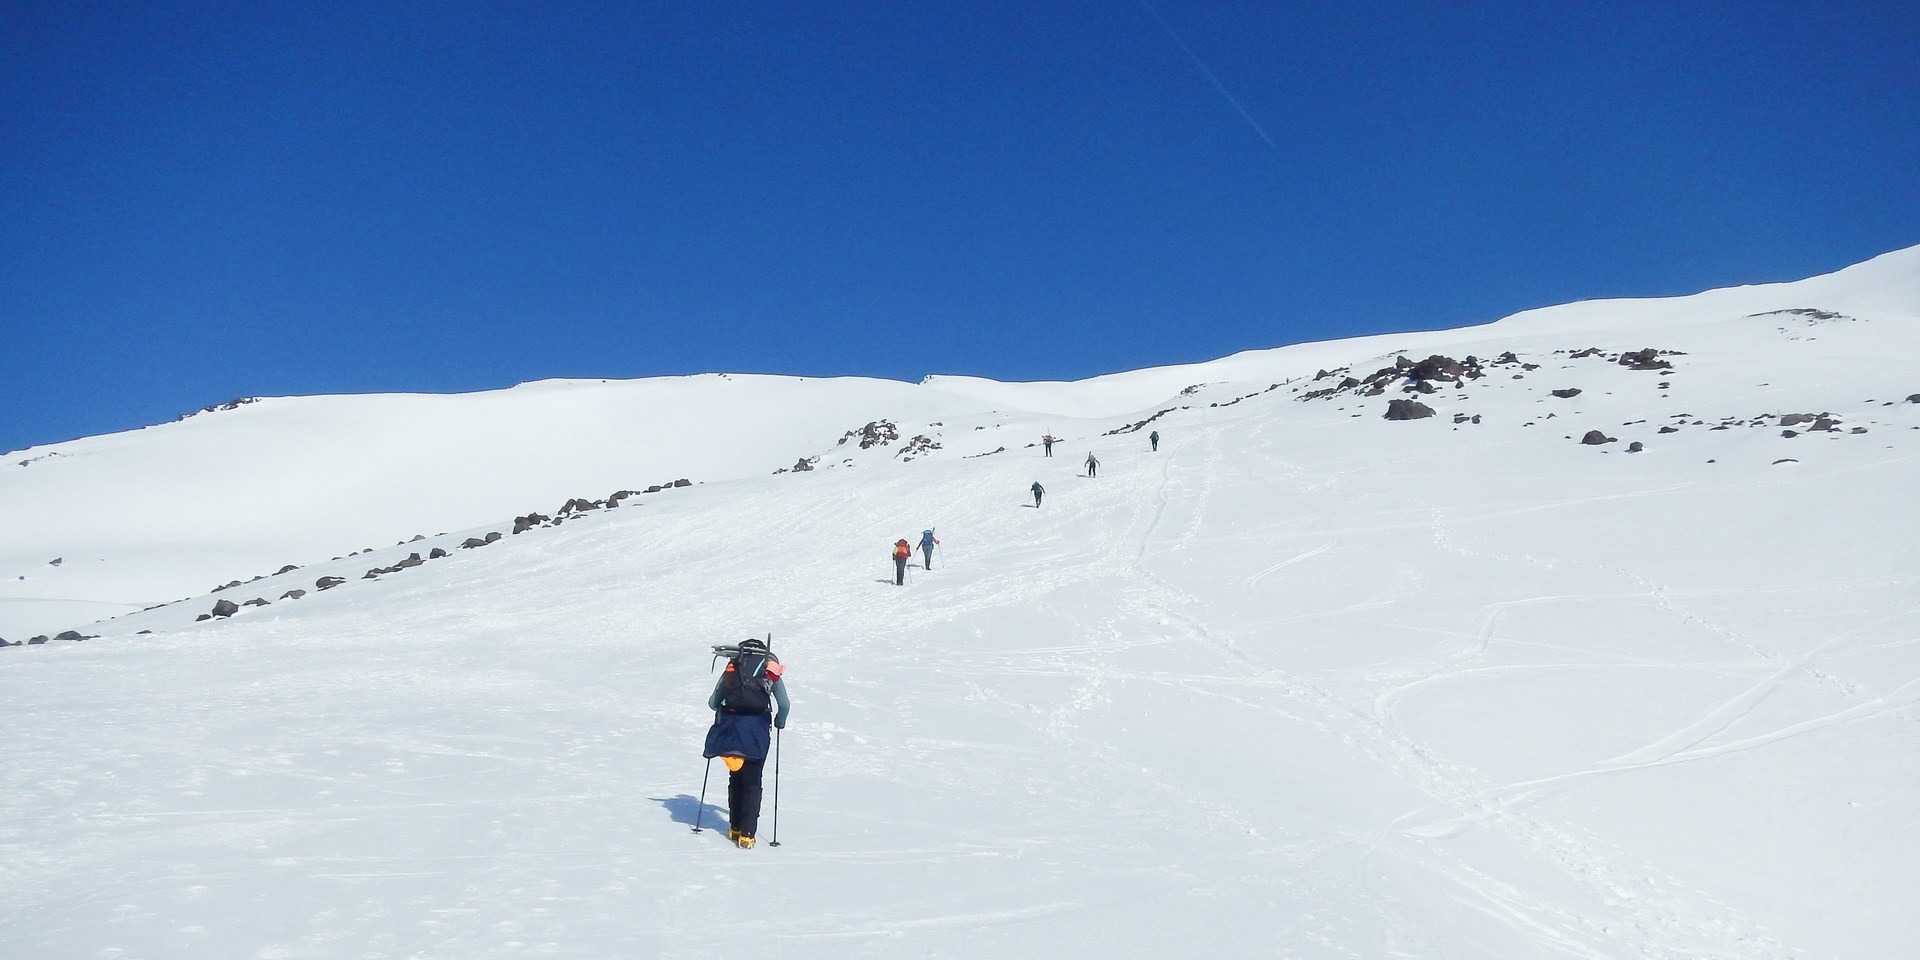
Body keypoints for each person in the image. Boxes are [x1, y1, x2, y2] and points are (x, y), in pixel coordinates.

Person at [702, 639, 790, 849]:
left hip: (731, 730)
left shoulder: (734, 667)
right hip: (757, 731)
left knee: (736, 776)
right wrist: (780, 722)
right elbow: (784, 704)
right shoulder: (770, 670)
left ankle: (734, 828)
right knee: (753, 781)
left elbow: (713, 702)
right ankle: (747, 835)